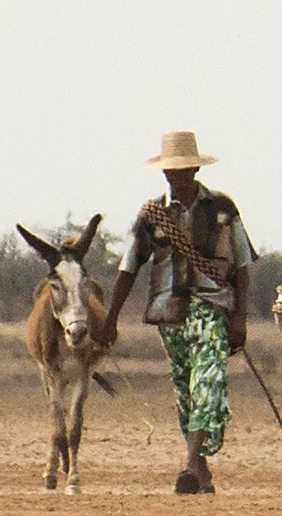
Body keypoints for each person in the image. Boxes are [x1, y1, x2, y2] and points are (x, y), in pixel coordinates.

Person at [109, 131, 254, 495]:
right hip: (168, 311)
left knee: (206, 380)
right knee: (186, 388)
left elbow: (243, 265)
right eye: (169, 170)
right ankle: (201, 469)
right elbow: (129, 267)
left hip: (212, 305)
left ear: (194, 169)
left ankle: (188, 463)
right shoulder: (151, 215)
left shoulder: (222, 209)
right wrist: (111, 319)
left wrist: (240, 317)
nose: (175, 176)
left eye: (182, 169)